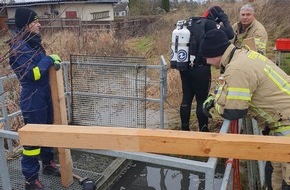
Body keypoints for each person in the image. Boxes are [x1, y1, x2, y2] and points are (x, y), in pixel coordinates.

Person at [201, 29, 290, 190]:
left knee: (287, 180)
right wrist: (214, 98)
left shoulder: (238, 69)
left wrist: (216, 107)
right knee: (274, 175)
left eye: (206, 56)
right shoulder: (240, 55)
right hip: (279, 125)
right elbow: (227, 85)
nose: (206, 61)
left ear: (216, 52)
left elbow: (234, 112)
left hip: (286, 126)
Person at [8, 7, 61, 190]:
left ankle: (47, 164)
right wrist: (50, 59)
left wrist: (50, 61)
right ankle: (30, 180)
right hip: (33, 97)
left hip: (44, 93)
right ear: (26, 25)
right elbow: (34, 73)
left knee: (48, 131)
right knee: (33, 139)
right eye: (35, 22)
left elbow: (41, 67)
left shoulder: (32, 42)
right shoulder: (18, 48)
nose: (39, 24)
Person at [178, 6, 234, 132]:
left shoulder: (190, 22)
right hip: (201, 68)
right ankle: (203, 129)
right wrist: (224, 19)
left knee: (186, 98)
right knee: (201, 99)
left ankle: (184, 129)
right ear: (215, 16)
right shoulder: (209, 24)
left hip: (184, 66)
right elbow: (230, 34)